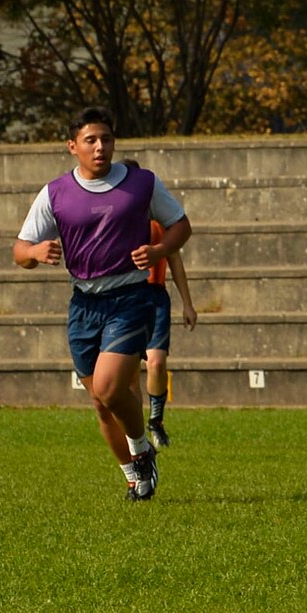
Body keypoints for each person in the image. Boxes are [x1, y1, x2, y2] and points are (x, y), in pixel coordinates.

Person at [13, 107, 189, 500]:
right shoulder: (55, 192)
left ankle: (142, 449)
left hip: (130, 297)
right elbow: (19, 249)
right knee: (100, 402)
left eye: (106, 139)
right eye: (91, 140)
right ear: (72, 146)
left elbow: (181, 225)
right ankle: (136, 478)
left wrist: (159, 248)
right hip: (83, 304)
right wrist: (35, 252)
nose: (100, 147)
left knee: (111, 388)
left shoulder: (141, 183)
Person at [141, 218, 198, 446]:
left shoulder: (160, 217)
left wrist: (187, 303)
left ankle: (156, 420)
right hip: (125, 295)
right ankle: (133, 434)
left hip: (155, 297)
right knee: (125, 371)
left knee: (156, 363)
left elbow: (174, 257)